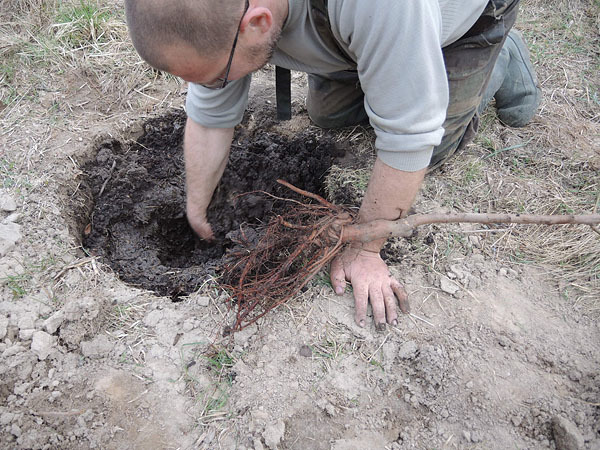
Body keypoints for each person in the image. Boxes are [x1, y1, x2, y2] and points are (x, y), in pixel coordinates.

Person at [124, 0, 541, 330]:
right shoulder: (229, 17)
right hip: (369, 27)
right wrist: (196, 205)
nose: (203, 87)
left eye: (213, 78)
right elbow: (211, 115)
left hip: (462, 20)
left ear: (258, 22)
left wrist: (365, 248)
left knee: (433, 146)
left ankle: (501, 61)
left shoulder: (382, 6)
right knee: (328, 117)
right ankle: (392, 63)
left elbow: (410, 138)